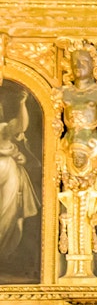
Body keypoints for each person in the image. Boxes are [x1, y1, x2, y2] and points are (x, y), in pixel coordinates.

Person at [0, 87, 40, 254]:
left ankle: (4, 251)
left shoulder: (3, 128)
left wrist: (22, 104)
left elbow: (21, 125)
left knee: (8, 213)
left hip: (6, 171)